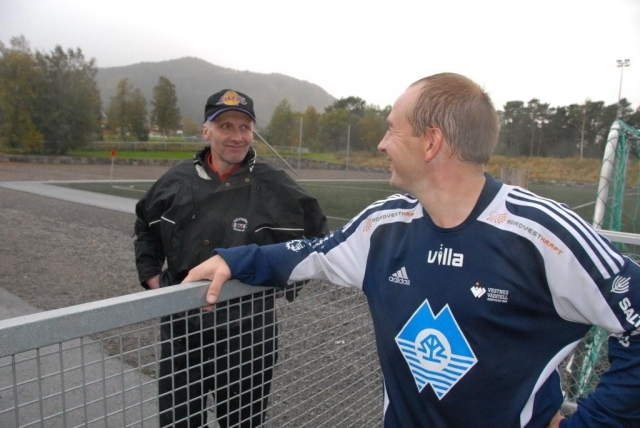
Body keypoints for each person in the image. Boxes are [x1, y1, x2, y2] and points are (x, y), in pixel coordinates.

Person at [183, 74, 640, 427]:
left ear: (432, 142)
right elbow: (311, 253)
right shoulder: (384, 225)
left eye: (391, 130)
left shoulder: (541, 234)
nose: (381, 143)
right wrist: (233, 258)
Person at [134, 88, 327, 428]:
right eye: (225, 126)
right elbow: (145, 226)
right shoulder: (175, 181)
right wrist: (153, 279)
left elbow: (317, 238)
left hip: (248, 337)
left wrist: (284, 280)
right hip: (182, 332)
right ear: (206, 130)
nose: (236, 137)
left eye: (244, 127)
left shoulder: (274, 185)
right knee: (178, 422)